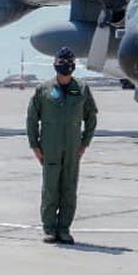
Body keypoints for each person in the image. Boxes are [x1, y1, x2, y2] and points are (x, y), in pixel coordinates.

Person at [26, 46, 99, 244]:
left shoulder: (82, 89)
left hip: (73, 149)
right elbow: (32, 119)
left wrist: (84, 144)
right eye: (62, 64)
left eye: (68, 64)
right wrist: (35, 146)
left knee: (69, 189)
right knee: (50, 189)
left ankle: (64, 228)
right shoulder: (44, 90)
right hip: (50, 148)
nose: (65, 68)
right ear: (55, 66)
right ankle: (49, 229)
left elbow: (91, 118)